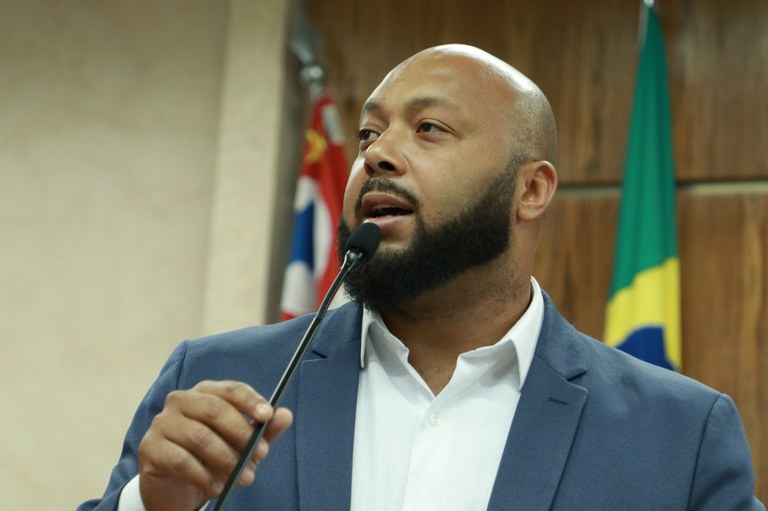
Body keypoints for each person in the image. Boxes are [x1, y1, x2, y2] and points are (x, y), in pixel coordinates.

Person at [80, 44, 764, 511]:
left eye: (429, 128)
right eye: (369, 134)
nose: (378, 155)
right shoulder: (215, 379)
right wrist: (152, 505)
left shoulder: (679, 435)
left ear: (530, 190)